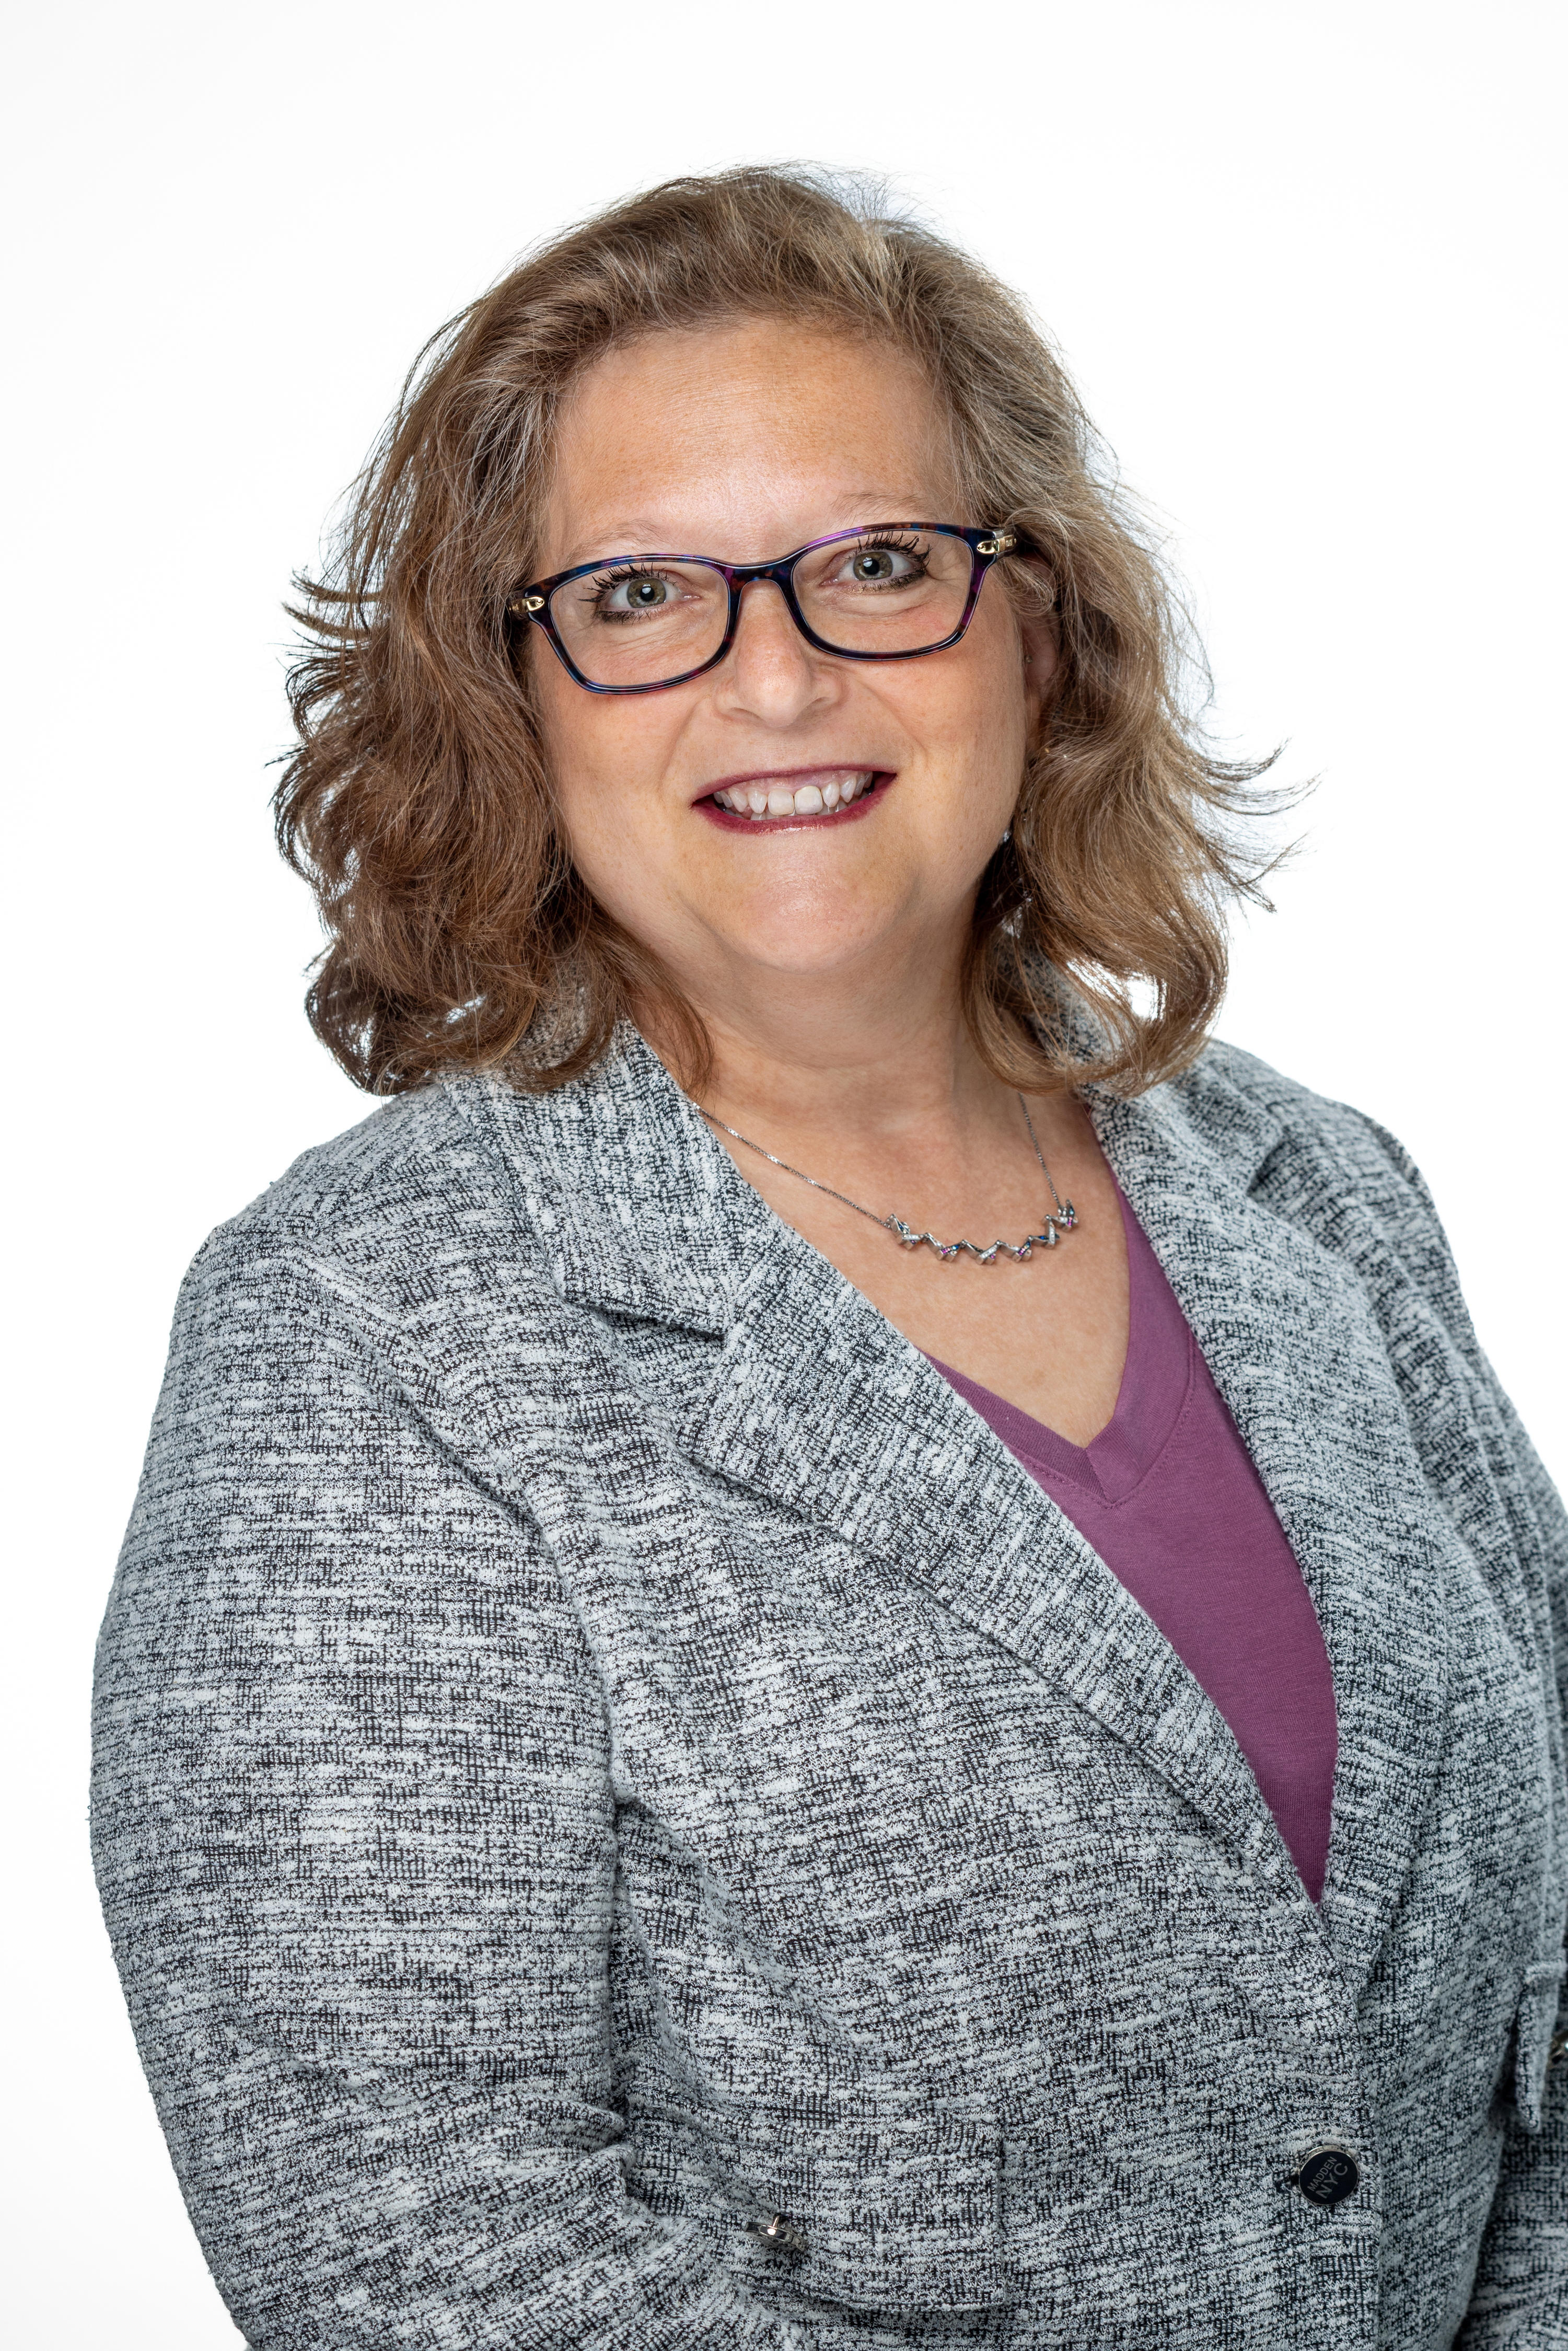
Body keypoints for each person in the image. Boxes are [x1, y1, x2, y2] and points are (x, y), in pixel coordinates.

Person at [90, 167, 1566, 2350]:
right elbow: (415, 2237)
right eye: (639, 594)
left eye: (879, 565)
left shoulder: (1315, 1192)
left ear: (1036, 629)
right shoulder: (370, 1329)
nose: (775, 678)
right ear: (513, 689)